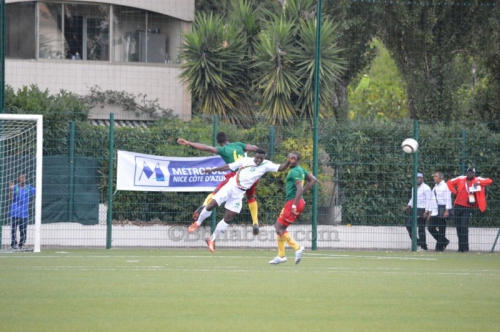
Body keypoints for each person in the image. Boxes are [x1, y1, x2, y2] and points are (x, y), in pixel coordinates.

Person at [196, 148, 290, 253]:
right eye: (257, 157)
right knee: (212, 204)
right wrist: (212, 170)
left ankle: (212, 239)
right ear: (254, 155)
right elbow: (228, 166)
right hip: (231, 186)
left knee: (229, 217)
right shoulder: (245, 161)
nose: (259, 160)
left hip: (240, 193)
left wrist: (288, 161)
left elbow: (281, 168)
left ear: (264, 157)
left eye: (261, 158)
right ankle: (197, 222)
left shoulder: (266, 164)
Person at [177, 132, 262, 235]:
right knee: (251, 197)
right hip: (251, 177)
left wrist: (188, 143)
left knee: (217, 191)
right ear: (228, 139)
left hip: (236, 177)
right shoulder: (238, 145)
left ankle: (204, 205)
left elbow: (207, 148)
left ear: (218, 142)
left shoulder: (222, 149)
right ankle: (255, 222)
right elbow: (254, 148)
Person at [269, 152, 317, 265]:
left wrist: (294, 204)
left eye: (293, 157)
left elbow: (299, 188)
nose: (290, 159)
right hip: (296, 201)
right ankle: (281, 255)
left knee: (278, 227)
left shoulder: (295, 171)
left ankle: (297, 248)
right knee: (279, 227)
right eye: (289, 157)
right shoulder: (301, 169)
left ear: (296, 159)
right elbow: (313, 180)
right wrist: (301, 195)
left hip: (293, 202)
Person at [447, 167, 492, 253]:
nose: (470, 174)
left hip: (468, 207)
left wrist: (478, 183)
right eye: (469, 172)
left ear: (474, 174)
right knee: (458, 227)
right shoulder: (461, 178)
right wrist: (455, 192)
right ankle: (460, 248)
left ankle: (465, 248)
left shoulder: (477, 180)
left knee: (464, 227)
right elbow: (449, 183)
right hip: (458, 206)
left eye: (472, 173)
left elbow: (489, 180)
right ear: (466, 173)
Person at [402, 172, 432, 251]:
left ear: (422, 179)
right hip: (414, 209)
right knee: (408, 225)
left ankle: (423, 247)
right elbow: (412, 198)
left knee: (421, 228)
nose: (417, 179)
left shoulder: (426, 188)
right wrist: (408, 206)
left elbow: (429, 200)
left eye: (419, 178)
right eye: (416, 178)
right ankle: (419, 243)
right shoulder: (413, 188)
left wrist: (427, 211)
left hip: (422, 209)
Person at [426, 171, 453, 252]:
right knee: (430, 228)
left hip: (442, 210)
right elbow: (432, 200)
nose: (434, 177)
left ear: (441, 177)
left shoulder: (445, 186)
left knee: (442, 229)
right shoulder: (434, 187)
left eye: (436, 176)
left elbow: (448, 199)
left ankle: (439, 248)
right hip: (434, 211)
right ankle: (444, 241)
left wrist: (447, 211)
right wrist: (429, 212)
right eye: (434, 176)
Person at [9, 174, 36, 249]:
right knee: (13, 229)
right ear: (18, 179)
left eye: (24, 178)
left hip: (24, 213)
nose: (22, 179)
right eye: (21, 178)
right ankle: (13, 244)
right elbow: (10, 199)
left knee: (23, 229)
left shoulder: (28, 188)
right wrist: (11, 190)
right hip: (15, 212)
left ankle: (21, 244)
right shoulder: (15, 188)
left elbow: (37, 191)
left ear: (25, 179)